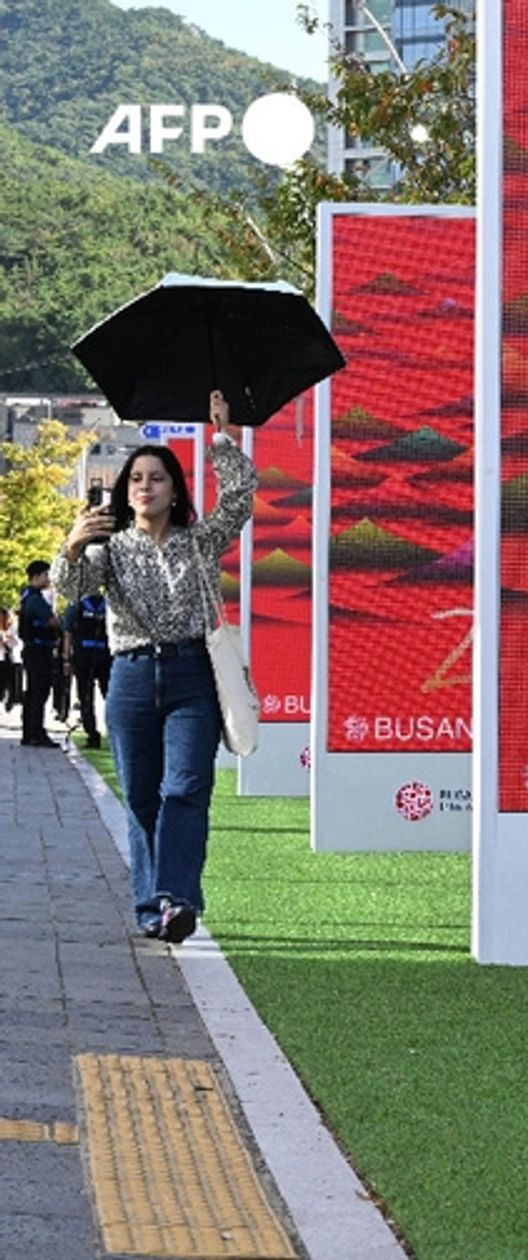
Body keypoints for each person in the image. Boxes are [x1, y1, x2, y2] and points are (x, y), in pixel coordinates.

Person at [53, 391, 255, 943]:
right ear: (126, 490)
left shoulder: (198, 542)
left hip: (194, 676)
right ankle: (151, 906)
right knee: (142, 796)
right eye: (137, 478)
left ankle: (177, 898)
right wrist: (71, 547)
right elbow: (65, 598)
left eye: (157, 477)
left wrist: (219, 438)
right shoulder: (109, 549)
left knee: (185, 787)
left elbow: (238, 500)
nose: (146, 486)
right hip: (132, 679)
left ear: (173, 489)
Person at [17, 560, 61, 747]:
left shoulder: (28, 597)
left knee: (33, 692)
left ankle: (29, 733)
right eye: (46, 575)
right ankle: (36, 733)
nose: (48, 578)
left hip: (33, 650)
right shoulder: (35, 599)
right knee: (40, 692)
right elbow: (52, 622)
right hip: (39, 650)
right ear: (36, 576)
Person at [64, 589, 112, 749]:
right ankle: (106, 733)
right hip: (103, 655)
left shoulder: (77, 605)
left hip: (86, 655)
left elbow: (68, 632)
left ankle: (93, 735)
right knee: (107, 696)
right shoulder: (108, 604)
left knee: (87, 697)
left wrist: (66, 657)